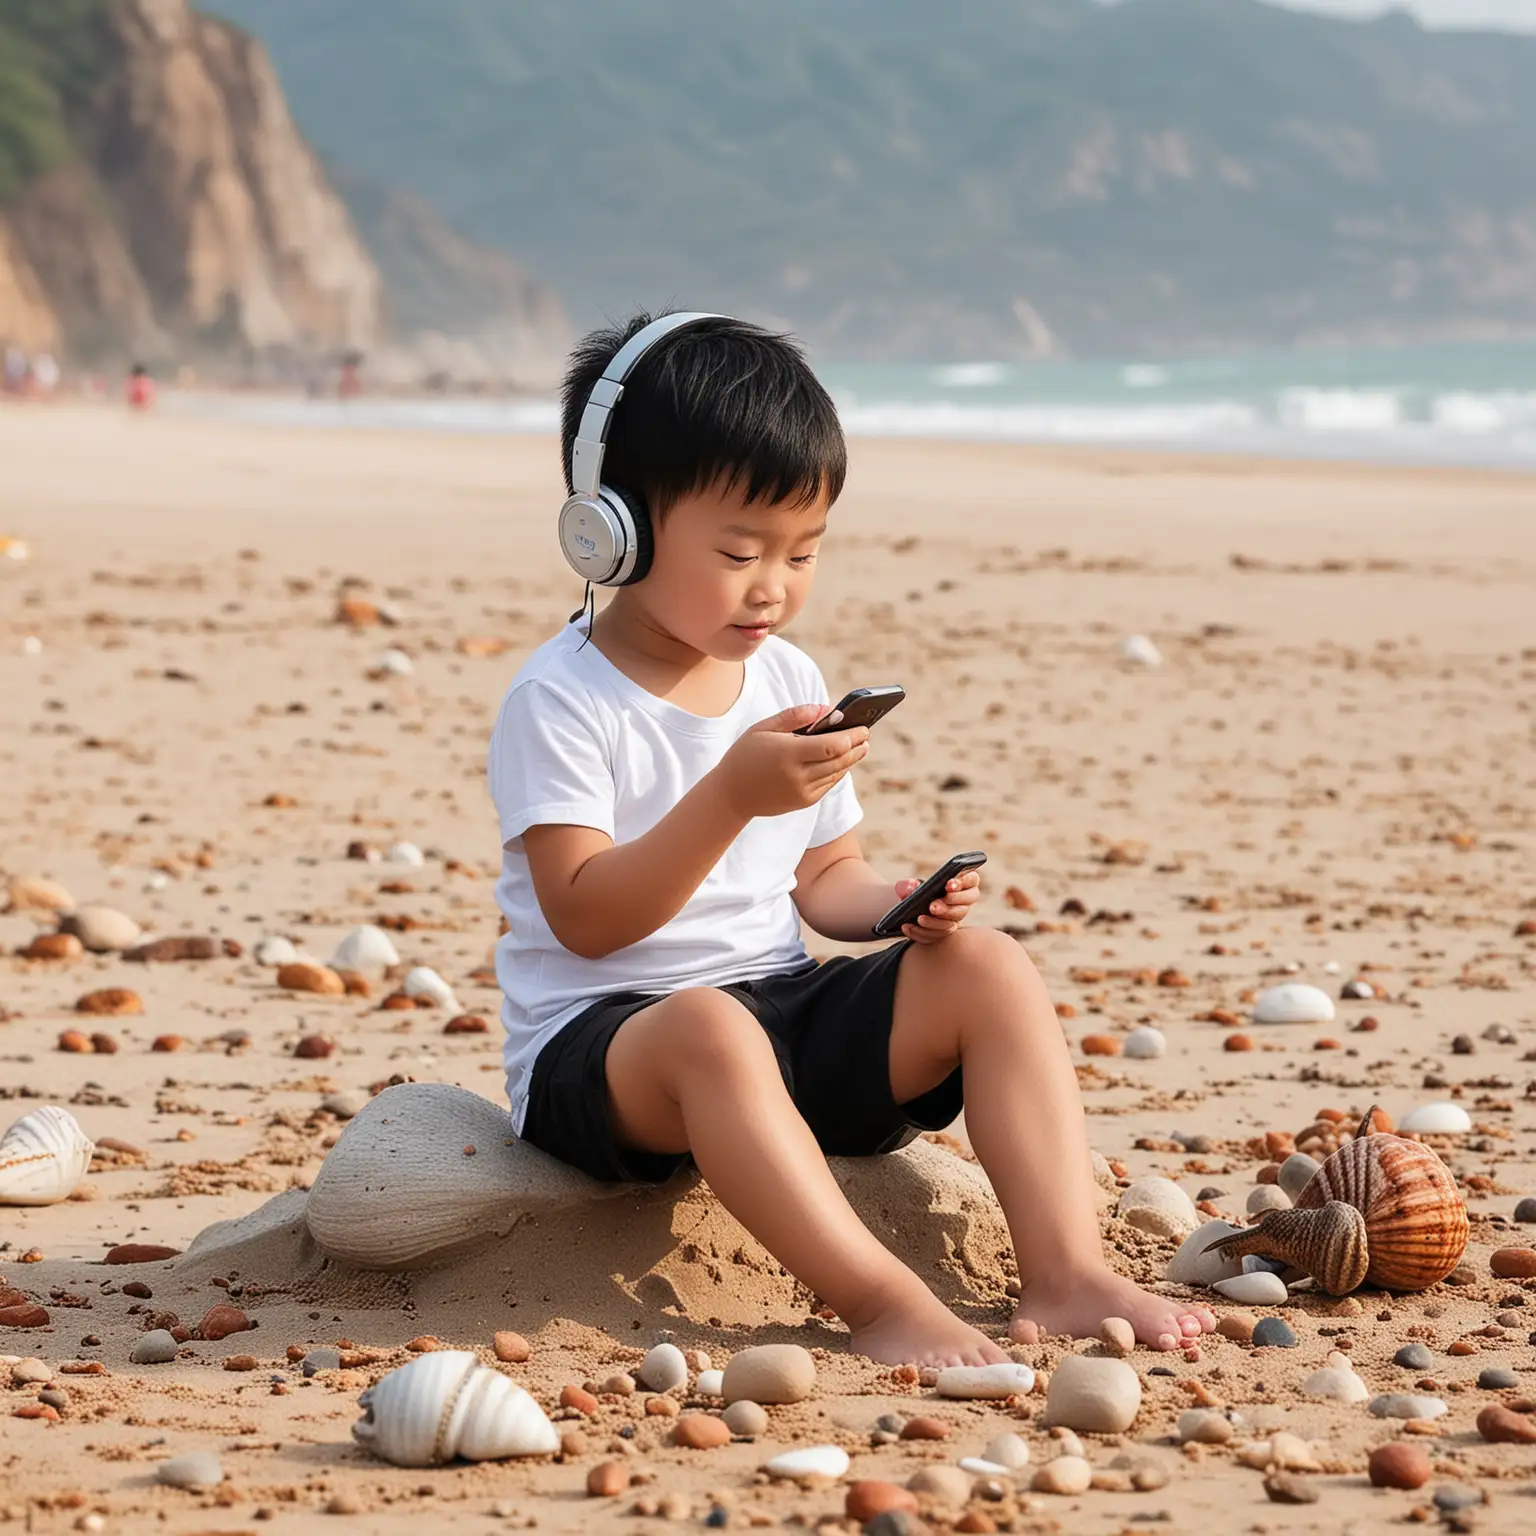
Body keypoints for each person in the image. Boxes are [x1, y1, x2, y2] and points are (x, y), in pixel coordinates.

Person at [486, 310, 1215, 1367]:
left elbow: (824, 876)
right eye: (739, 551)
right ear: (614, 528)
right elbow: (589, 920)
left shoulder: (785, 677)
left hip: (772, 1010)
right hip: (608, 1048)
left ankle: (1066, 1273)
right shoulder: (560, 700)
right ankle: (879, 1302)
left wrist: (896, 909)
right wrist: (730, 794)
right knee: (708, 1028)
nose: (774, 584)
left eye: (804, 550)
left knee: (988, 968)